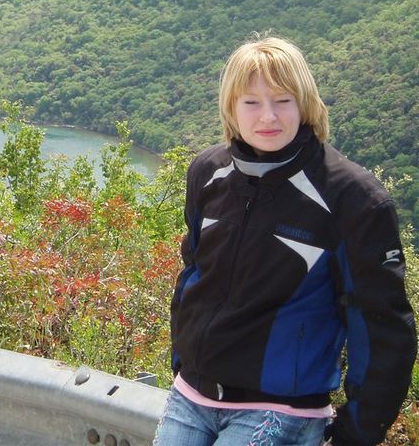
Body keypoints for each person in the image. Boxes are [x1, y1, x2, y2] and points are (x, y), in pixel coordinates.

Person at [155, 35, 416, 445]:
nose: (268, 117)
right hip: (191, 396)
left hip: (281, 410)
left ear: (305, 103)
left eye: (282, 100)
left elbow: (382, 326)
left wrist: (357, 431)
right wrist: (181, 362)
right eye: (251, 102)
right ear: (230, 106)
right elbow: (193, 273)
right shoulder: (208, 172)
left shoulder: (351, 198)